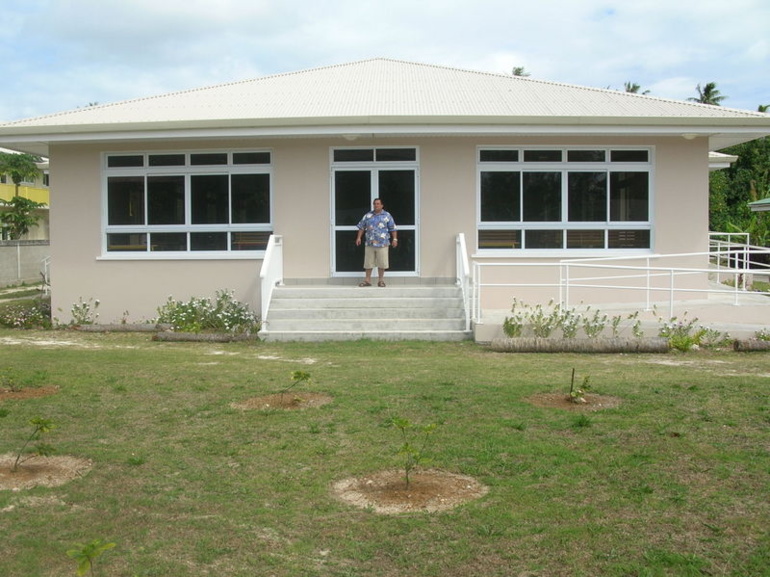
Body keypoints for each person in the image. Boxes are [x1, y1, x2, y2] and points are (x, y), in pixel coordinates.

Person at [355, 198, 397, 287]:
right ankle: (367, 281)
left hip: (383, 244)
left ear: (382, 205)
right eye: (374, 204)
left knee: (382, 263)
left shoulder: (387, 215)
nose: (376, 205)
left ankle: (380, 281)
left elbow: (392, 228)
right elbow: (361, 227)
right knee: (368, 263)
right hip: (370, 243)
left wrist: (395, 239)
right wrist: (359, 237)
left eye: (378, 204)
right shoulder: (368, 215)